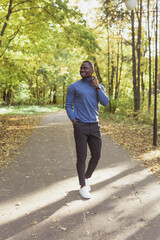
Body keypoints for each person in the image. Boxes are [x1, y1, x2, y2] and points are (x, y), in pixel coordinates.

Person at [65, 61, 109, 199]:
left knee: (97, 155)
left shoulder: (98, 87)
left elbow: (105, 102)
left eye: (85, 68)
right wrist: (74, 122)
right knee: (81, 156)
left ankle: (86, 177)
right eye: (81, 68)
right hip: (81, 126)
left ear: (92, 70)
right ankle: (83, 186)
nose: (82, 70)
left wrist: (97, 87)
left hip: (95, 125)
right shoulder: (74, 87)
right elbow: (67, 105)